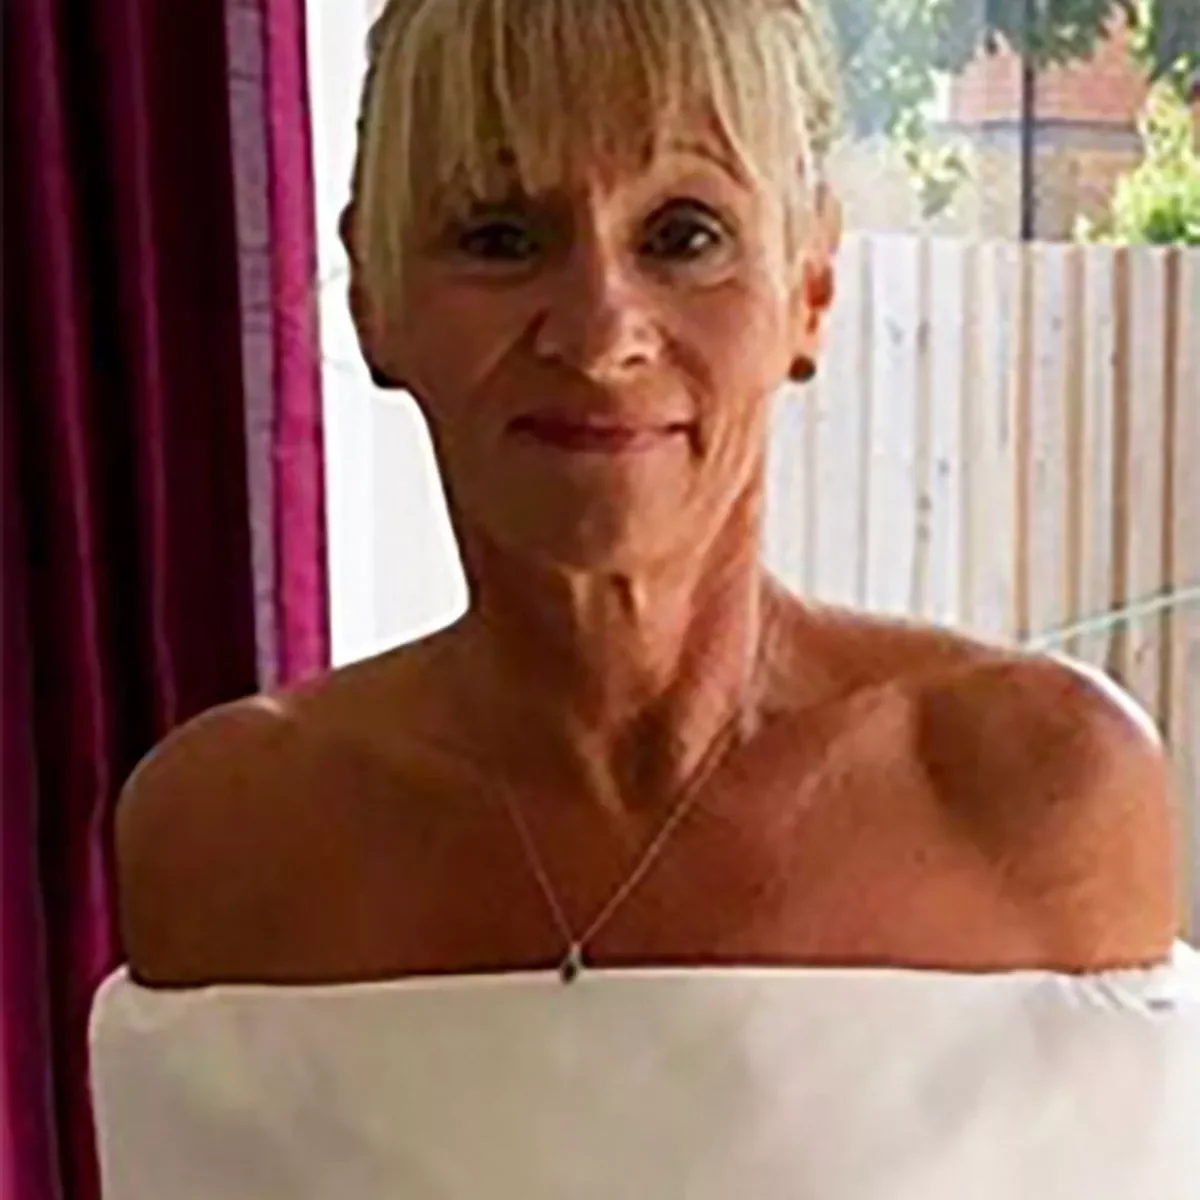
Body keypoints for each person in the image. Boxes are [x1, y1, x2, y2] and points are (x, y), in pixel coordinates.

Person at [89, 1, 1198, 1196]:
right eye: (500, 235)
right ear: (374, 294)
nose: (599, 332)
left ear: (810, 284)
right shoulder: (223, 842)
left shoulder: (1035, 798)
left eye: (683, 235)